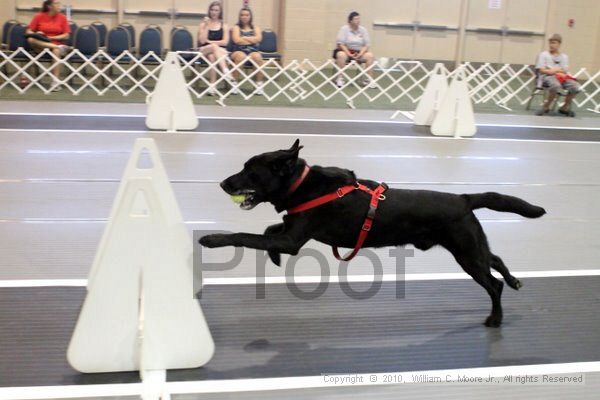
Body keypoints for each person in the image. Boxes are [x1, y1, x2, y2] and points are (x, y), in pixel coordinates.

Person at [26, 0, 71, 91]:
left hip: (55, 43)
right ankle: (54, 46)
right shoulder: (38, 16)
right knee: (30, 39)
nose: (59, 5)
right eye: (56, 3)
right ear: (50, 6)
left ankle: (55, 82)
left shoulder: (62, 17)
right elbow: (28, 31)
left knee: (56, 50)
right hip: (41, 45)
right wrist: (37, 34)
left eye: (59, 3)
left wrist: (51, 38)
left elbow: (66, 35)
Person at [535, 33, 581, 117]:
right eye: (550, 42)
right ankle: (546, 106)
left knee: (575, 86)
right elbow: (541, 70)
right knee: (555, 85)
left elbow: (564, 70)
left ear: (559, 44)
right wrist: (554, 71)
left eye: (554, 43)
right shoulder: (543, 55)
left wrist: (553, 70)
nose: (551, 45)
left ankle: (564, 107)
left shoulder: (564, 57)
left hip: (562, 77)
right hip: (547, 77)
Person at [197, 1, 233, 95]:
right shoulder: (203, 25)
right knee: (213, 47)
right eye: (212, 10)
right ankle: (225, 70)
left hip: (220, 51)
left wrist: (211, 42)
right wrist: (207, 26)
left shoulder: (224, 25)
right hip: (204, 50)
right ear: (209, 11)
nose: (214, 12)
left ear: (220, 12)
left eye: (216, 10)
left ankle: (212, 86)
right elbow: (202, 41)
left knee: (212, 56)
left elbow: (225, 42)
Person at [334, 11, 376, 89]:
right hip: (346, 51)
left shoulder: (363, 30)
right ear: (350, 21)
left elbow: (366, 45)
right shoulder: (344, 29)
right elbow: (341, 44)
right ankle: (339, 78)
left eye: (359, 19)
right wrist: (349, 54)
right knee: (340, 55)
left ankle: (369, 80)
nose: (358, 21)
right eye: (356, 19)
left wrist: (360, 53)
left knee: (370, 55)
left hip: (359, 52)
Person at [230, 7, 264, 95]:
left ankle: (259, 84)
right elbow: (237, 40)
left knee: (258, 57)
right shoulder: (236, 27)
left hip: (253, 51)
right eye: (242, 15)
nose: (244, 17)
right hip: (237, 51)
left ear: (250, 16)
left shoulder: (256, 27)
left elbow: (259, 39)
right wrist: (252, 39)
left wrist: (244, 38)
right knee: (241, 56)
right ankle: (234, 84)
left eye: (247, 15)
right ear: (239, 17)